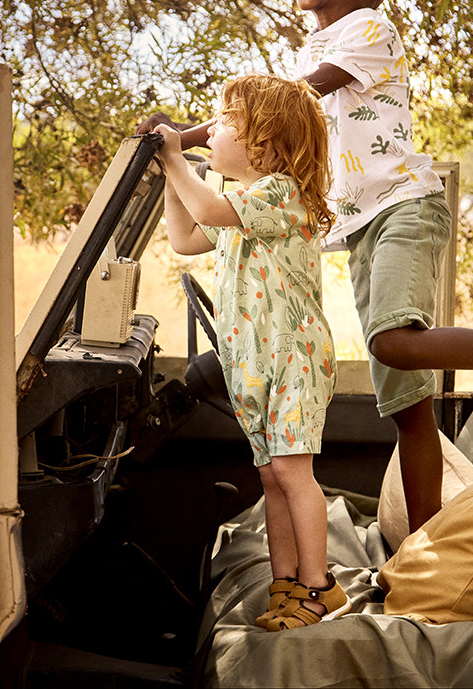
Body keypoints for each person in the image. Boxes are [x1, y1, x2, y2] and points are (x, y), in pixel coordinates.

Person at [141, 0, 473, 534]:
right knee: (406, 406)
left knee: (391, 341)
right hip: (361, 223)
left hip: (403, 202)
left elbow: (294, 101)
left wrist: (178, 140)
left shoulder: (368, 27)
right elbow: (272, 131)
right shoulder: (313, 44)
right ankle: (425, 546)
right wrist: (191, 152)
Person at [154, 72, 351, 631]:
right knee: (270, 477)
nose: (210, 130)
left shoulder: (281, 194)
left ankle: (320, 587)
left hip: (292, 358)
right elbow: (185, 238)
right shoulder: (240, 203)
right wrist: (178, 174)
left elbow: (210, 214)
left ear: (265, 145)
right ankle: (284, 584)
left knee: (292, 473)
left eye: (224, 123)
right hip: (251, 362)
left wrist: (175, 159)